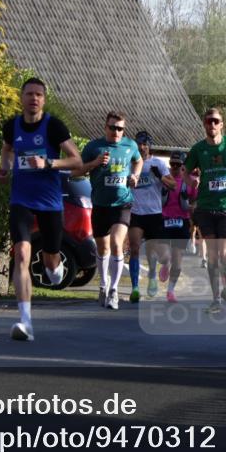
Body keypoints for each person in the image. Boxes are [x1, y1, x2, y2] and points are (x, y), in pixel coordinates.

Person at [0, 78, 82, 341]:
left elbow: (76, 160)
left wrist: (48, 162)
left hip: (49, 202)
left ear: (43, 100)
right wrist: (4, 167)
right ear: (21, 98)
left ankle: (53, 270)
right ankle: (25, 322)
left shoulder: (53, 126)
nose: (34, 98)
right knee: (22, 254)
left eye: (38, 95)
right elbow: (7, 149)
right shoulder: (12, 126)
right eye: (29, 94)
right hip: (20, 199)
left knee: (51, 261)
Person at [184, 108, 226, 313]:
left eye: (215, 121)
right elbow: (186, 172)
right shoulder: (197, 149)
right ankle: (216, 299)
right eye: (208, 121)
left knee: (225, 257)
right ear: (204, 124)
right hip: (205, 207)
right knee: (212, 256)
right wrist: (191, 181)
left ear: (221, 124)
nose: (212, 124)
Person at [77, 112, 142, 310]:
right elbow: (76, 170)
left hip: (122, 204)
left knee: (116, 243)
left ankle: (114, 291)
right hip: (100, 204)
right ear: (105, 127)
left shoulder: (130, 145)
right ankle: (103, 285)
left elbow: (138, 161)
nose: (116, 131)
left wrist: (135, 176)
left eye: (120, 128)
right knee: (103, 249)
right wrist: (94, 164)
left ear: (124, 130)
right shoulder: (93, 147)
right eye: (112, 127)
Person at [127, 131, 175, 302]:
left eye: (145, 144)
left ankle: (153, 276)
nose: (142, 147)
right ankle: (134, 288)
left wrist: (160, 176)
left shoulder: (157, 163)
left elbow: (173, 185)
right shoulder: (130, 163)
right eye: (139, 144)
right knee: (134, 248)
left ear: (149, 145)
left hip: (154, 214)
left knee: (164, 257)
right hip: (136, 213)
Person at [159, 151, 197, 302]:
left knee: (177, 259)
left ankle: (170, 290)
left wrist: (192, 206)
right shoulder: (164, 178)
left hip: (182, 221)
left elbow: (196, 199)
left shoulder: (190, 181)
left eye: (178, 164)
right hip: (164, 219)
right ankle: (165, 264)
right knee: (164, 256)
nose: (174, 167)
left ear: (184, 166)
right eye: (172, 164)